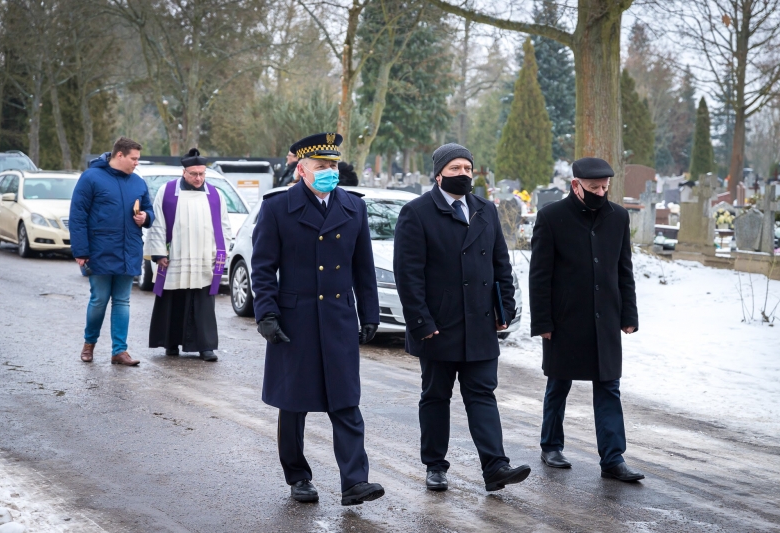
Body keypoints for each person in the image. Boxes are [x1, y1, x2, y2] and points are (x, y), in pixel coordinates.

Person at [250, 132, 384, 506]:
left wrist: (369, 314)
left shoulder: (354, 207)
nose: (330, 171)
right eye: (322, 166)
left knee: (345, 401)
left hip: (338, 317)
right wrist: (267, 314)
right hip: (295, 319)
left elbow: (364, 268)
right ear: (302, 169)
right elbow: (262, 267)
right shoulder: (278, 208)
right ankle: (298, 476)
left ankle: (355, 482)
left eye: (333, 165)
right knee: (294, 404)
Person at [393, 143, 531, 493]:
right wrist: (421, 322)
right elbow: (408, 275)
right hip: (439, 325)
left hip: (480, 323)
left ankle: (495, 466)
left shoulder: (485, 209)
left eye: (468, 168)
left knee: (482, 394)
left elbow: (501, 264)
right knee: (436, 396)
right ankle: (435, 466)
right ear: (438, 174)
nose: (463, 174)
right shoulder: (417, 212)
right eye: (455, 168)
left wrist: (506, 308)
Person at [529, 157, 644, 482]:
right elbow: (540, 275)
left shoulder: (617, 217)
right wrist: (543, 323)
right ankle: (551, 445)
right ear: (575, 185)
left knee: (609, 387)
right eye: (594, 188)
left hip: (605, 318)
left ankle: (613, 458)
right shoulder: (551, 217)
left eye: (605, 187)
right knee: (559, 383)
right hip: (565, 319)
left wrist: (628, 314)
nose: (601, 192)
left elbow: (624, 270)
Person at [70, 137, 154, 366]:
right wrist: (81, 250)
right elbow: (77, 216)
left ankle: (119, 351)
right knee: (99, 300)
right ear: (120, 155)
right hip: (100, 250)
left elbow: (149, 210)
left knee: (123, 301)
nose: (137, 163)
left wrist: (145, 217)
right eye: (134, 158)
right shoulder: (91, 178)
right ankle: (89, 344)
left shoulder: (138, 182)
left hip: (129, 250)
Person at [143, 148, 232, 362]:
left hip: (204, 258)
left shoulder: (215, 195)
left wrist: (220, 253)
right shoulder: (167, 191)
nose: (199, 178)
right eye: (194, 174)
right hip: (174, 256)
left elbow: (224, 226)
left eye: (202, 174)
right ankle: (170, 344)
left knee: (203, 303)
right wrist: (158, 253)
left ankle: (206, 347)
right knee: (173, 300)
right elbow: (157, 224)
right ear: (184, 172)